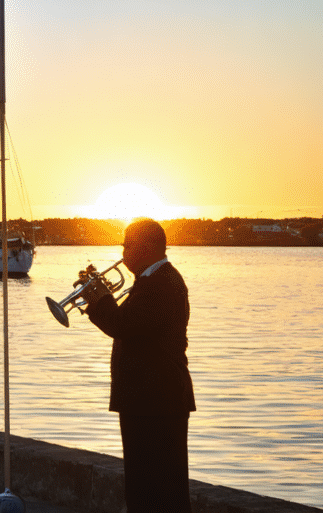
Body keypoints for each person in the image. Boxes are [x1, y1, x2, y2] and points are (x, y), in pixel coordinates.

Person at [84, 218, 195, 512]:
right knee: (149, 487)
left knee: (154, 490)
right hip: (149, 400)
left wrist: (98, 300)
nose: (123, 252)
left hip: (155, 401)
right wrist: (100, 299)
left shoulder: (160, 284)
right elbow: (130, 326)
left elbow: (125, 325)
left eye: (128, 244)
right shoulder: (151, 281)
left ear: (147, 247)